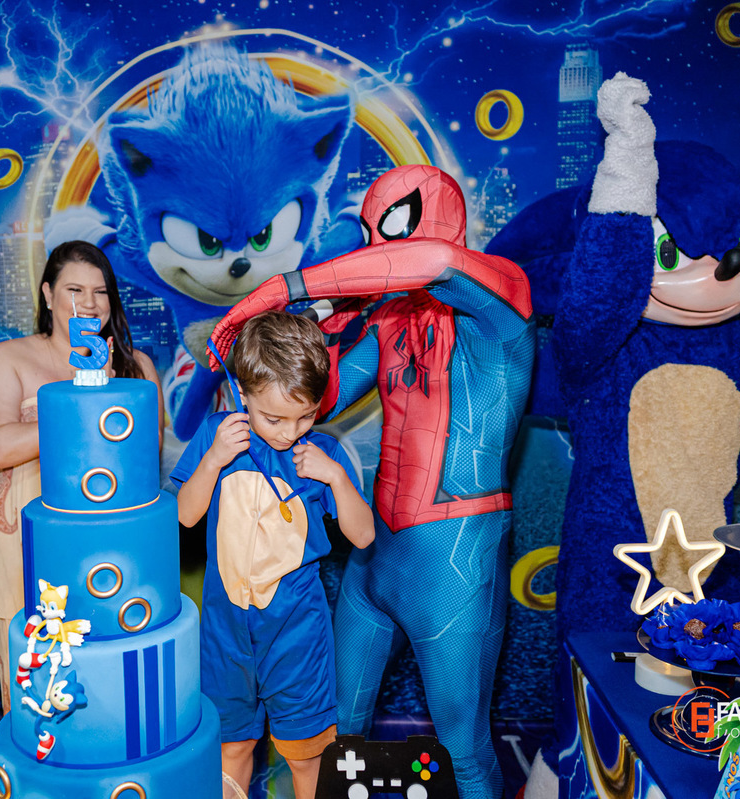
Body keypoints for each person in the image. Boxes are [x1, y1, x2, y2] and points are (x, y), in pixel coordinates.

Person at [209, 165, 535, 799]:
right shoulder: (393, 322)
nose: (380, 249)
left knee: (464, 749)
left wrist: (286, 287)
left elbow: (435, 261)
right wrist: (326, 323)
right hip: (376, 552)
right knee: (335, 731)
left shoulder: (504, 300)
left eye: (391, 229)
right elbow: (320, 398)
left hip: (455, 559)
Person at [170, 310, 374, 799]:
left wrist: (336, 478)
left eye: (306, 416)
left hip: (297, 635)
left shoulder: (322, 453)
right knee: (232, 748)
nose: (289, 432)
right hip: (225, 634)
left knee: (305, 755)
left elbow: (365, 535)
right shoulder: (217, 435)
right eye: (274, 418)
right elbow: (184, 516)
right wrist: (214, 460)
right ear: (242, 393)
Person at [0, 239, 163, 712]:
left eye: (101, 292)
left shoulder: (137, 367)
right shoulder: (8, 358)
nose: (90, 304)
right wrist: (84, 405)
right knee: (38, 694)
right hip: (31, 544)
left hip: (115, 545)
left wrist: (106, 388)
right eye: (75, 290)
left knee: (111, 687)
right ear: (47, 294)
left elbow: (148, 456)